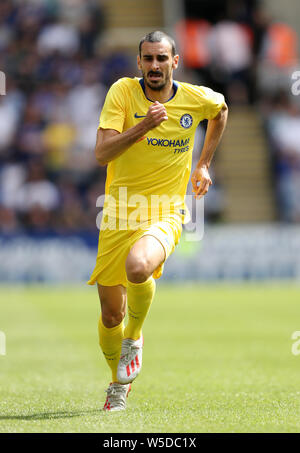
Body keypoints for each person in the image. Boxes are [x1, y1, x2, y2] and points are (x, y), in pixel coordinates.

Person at [88, 31, 228, 411]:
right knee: (109, 312)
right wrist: (143, 127)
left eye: (161, 58)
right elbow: (102, 153)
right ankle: (119, 382)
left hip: (166, 211)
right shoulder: (122, 93)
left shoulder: (195, 98)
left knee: (139, 266)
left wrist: (203, 164)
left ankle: (134, 338)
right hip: (118, 213)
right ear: (139, 64)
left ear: (175, 62)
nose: (154, 66)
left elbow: (221, 109)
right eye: (148, 59)